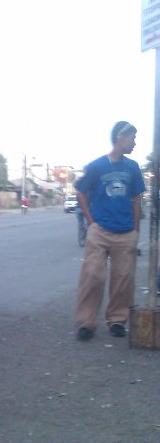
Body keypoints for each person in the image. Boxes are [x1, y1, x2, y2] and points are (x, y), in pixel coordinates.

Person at [74, 121, 146, 341]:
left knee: (123, 278)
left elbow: (136, 198)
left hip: (125, 232)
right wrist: (90, 221)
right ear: (120, 137)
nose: (134, 143)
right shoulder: (97, 166)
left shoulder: (133, 167)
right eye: (132, 138)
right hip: (100, 230)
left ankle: (117, 320)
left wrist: (135, 230)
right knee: (92, 275)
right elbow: (80, 192)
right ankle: (86, 322)